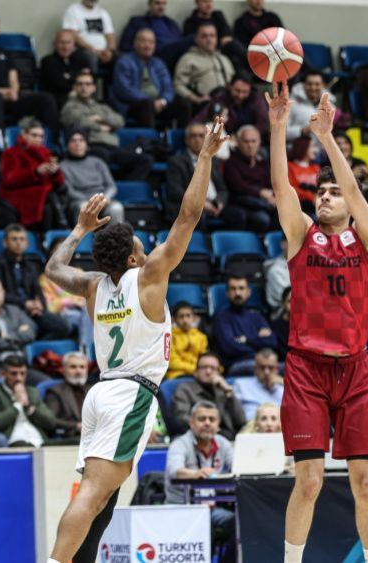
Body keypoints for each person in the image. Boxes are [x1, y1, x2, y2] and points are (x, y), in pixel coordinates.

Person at [45, 116, 229, 563]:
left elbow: (52, 270)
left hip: (102, 392)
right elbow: (189, 215)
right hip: (130, 394)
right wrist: (204, 156)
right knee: (94, 491)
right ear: (132, 257)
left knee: (106, 494)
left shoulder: (92, 284)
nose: (148, 247)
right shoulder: (147, 276)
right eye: (140, 245)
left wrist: (78, 230)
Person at [267, 83, 368, 563]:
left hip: (355, 371)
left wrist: (326, 138)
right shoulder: (301, 235)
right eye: (321, 192)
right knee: (310, 480)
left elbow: (354, 191)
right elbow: (280, 189)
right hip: (306, 370)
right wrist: (279, 127)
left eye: (334, 193)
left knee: (366, 484)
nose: (326, 197)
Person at [164, 401, 237, 559]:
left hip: (211, 510)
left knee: (238, 523)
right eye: (202, 419)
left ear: (218, 424)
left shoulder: (223, 444)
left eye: (212, 419)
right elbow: (174, 470)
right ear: (191, 423)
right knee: (203, 524)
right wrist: (196, 473)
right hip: (181, 509)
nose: (207, 423)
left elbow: (238, 468)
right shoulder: (180, 444)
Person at [0, 13, 59, 130]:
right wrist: (1, 91)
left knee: (46, 99)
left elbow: (14, 79)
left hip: (7, 98)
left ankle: (52, 140)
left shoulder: (6, 54)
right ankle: (1, 139)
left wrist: (13, 91)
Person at [60, 69, 154, 181]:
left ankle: (125, 188)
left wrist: (101, 118)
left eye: (87, 84)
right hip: (92, 146)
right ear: (74, 87)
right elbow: (78, 121)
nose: (84, 87)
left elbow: (120, 121)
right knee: (103, 155)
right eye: (80, 84)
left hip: (113, 147)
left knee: (146, 160)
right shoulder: (70, 106)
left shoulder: (101, 107)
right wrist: (100, 126)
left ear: (94, 88)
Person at [0, 223, 72, 341]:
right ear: (5, 242)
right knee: (31, 329)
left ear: (27, 243)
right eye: (14, 239)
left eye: (22, 239)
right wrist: (25, 303)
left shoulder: (30, 265)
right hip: (9, 311)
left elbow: (37, 290)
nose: (18, 243)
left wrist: (40, 306)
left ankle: (35, 350)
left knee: (62, 327)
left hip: (31, 311)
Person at [166, 122, 242, 230]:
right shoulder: (176, 161)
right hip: (191, 206)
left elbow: (222, 188)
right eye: (193, 136)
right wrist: (201, 204)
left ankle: (228, 245)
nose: (197, 139)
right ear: (186, 140)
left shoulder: (214, 160)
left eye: (201, 136)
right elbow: (175, 191)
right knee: (197, 216)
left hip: (214, 203)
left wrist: (220, 203)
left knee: (238, 215)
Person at [111, 28, 190, 129]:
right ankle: (150, 142)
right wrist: (150, 101)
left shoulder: (159, 63)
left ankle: (183, 139)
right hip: (134, 105)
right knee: (146, 105)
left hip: (159, 105)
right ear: (135, 43)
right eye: (143, 41)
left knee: (183, 103)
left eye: (151, 42)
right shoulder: (124, 62)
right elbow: (124, 89)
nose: (147, 46)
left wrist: (163, 101)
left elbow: (168, 88)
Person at [0, 118, 65, 228]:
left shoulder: (45, 152)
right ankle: (61, 225)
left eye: (41, 136)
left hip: (42, 193)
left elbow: (59, 181)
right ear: (24, 134)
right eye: (34, 135)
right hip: (19, 193)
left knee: (50, 198)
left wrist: (55, 172)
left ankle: (58, 227)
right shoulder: (11, 153)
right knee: (48, 199)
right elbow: (9, 179)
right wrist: (35, 172)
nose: (38, 139)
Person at [0, 355, 57, 446]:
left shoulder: (32, 391)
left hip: (40, 441)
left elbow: (51, 422)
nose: (19, 378)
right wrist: (18, 404)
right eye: (14, 374)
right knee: (24, 446)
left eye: (22, 373)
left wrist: (29, 407)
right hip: (14, 441)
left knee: (77, 442)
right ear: (3, 374)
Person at [172, 351, 247, 440]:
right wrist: (209, 426)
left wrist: (228, 392)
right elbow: (181, 419)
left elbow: (241, 421)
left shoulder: (222, 390)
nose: (208, 371)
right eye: (204, 367)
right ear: (195, 372)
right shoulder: (185, 389)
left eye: (213, 368)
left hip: (229, 438)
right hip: (199, 437)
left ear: (219, 373)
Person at [212, 274, 277, 372]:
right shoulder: (221, 318)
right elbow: (230, 348)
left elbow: (272, 342)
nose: (237, 293)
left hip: (263, 364)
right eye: (233, 289)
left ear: (248, 292)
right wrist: (258, 344)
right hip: (238, 366)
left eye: (241, 288)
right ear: (227, 293)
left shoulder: (257, 317)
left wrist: (246, 340)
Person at [60, 130, 124, 225]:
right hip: (79, 201)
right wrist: (91, 202)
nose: (77, 143)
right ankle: (83, 239)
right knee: (83, 207)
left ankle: (113, 239)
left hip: (102, 201)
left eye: (81, 140)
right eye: (73, 141)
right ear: (67, 145)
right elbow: (69, 191)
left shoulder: (98, 162)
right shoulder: (62, 166)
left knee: (116, 208)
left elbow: (111, 186)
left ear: (86, 144)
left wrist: (105, 198)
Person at [39, 238, 93, 349]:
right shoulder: (45, 279)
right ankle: (87, 349)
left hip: (82, 312)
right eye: (57, 251)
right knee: (91, 316)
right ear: (51, 254)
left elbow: (90, 294)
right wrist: (72, 302)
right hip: (63, 314)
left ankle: (85, 348)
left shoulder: (79, 273)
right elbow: (50, 306)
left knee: (90, 311)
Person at [223, 124, 275, 233]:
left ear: (259, 143)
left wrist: (273, 197)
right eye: (246, 141)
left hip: (263, 201)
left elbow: (271, 184)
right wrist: (260, 193)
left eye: (253, 141)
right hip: (240, 203)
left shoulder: (263, 164)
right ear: (238, 143)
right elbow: (238, 186)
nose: (250, 145)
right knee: (263, 219)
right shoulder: (231, 163)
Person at [174, 22, 235, 111]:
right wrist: (196, 99)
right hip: (205, 105)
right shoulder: (188, 59)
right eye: (204, 36)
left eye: (212, 36)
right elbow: (178, 85)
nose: (209, 39)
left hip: (230, 104)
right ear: (196, 39)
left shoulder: (224, 59)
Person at [193, 72, 269, 137]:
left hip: (249, 141)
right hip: (225, 139)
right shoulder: (221, 98)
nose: (240, 96)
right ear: (230, 86)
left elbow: (264, 124)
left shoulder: (256, 99)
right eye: (237, 90)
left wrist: (241, 137)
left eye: (245, 92)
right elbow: (199, 119)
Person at [44, 351, 94, 440]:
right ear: (63, 370)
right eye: (73, 367)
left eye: (82, 367)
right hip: (70, 436)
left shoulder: (93, 390)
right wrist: (76, 426)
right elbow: (51, 420)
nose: (78, 371)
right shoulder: (55, 391)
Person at [182, 0, 245, 69]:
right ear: (197, 3)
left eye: (210, 1)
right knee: (233, 45)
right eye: (205, 2)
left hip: (223, 51)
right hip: (204, 53)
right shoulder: (190, 22)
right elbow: (192, 42)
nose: (209, 5)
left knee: (235, 59)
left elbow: (228, 34)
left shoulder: (217, 15)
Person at [287, 70, 346, 142]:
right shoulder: (291, 104)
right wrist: (301, 131)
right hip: (299, 150)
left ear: (323, 85)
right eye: (309, 84)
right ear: (303, 84)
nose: (313, 88)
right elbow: (282, 132)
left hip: (325, 151)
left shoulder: (330, 105)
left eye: (317, 84)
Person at [40, 30, 92, 109]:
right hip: (61, 103)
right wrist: (77, 80)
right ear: (55, 44)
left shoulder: (81, 60)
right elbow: (59, 84)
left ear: (73, 45)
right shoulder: (48, 61)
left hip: (84, 100)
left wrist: (69, 78)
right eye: (62, 43)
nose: (65, 47)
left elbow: (90, 80)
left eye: (68, 43)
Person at [119, 0, 186, 59]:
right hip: (154, 54)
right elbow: (124, 45)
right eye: (157, 3)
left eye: (164, 4)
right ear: (149, 4)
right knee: (192, 38)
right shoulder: (137, 22)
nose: (161, 7)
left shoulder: (172, 24)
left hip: (174, 55)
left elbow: (179, 42)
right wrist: (145, 51)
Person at [62, 0, 116, 71]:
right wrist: (94, 51)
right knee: (91, 58)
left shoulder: (103, 12)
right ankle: (92, 81)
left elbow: (110, 36)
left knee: (120, 58)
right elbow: (73, 35)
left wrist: (110, 51)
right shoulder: (73, 10)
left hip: (103, 51)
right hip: (82, 50)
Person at [233, 348, 284, 420]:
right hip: (249, 428)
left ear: (277, 369)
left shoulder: (285, 388)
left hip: (280, 429)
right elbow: (234, 415)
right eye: (262, 368)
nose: (267, 372)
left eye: (271, 368)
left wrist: (286, 385)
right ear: (255, 368)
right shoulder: (240, 385)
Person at [168, 301, 208, 379]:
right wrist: (195, 369)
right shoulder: (169, 336)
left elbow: (203, 357)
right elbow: (172, 363)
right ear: (174, 320)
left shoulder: (201, 337)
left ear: (194, 318)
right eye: (181, 316)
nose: (185, 320)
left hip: (198, 374)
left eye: (188, 316)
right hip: (177, 375)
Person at [287, 136, 321, 208]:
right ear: (303, 148)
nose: (315, 150)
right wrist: (311, 197)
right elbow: (291, 189)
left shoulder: (316, 167)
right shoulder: (289, 166)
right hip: (299, 205)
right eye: (312, 147)